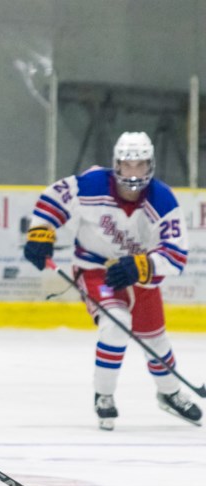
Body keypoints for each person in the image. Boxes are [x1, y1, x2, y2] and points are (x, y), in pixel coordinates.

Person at [24, 131, 201, 431]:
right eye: (127, 165)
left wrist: (142, 266)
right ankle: (104, 395)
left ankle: (169, 393)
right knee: (116, 324)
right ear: (116, 164)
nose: (133, 172)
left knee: (155, 338)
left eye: (141, 165)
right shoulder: (92, 184)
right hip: (96, 271)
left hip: (139, 275)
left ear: (151, 165)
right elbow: (54, 198)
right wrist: (41, 232)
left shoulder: (162, 200)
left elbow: (175, 256)